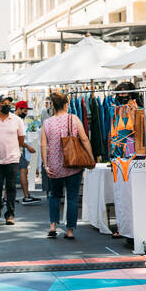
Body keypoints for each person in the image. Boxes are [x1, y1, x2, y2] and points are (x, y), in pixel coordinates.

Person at [41, 92, 94, 240]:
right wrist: (90, 157)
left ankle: (53, 226)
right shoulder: (74, 119)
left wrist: (45, 165)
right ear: (66, 105)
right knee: (71, 197)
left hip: (54, 165)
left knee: (54, 195)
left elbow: (43, 145)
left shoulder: (47, 122)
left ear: (53, 106)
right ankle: (70, 230)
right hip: (73, 164)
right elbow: (84, 138)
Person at [0, 95, 27, 225]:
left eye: (9, 103)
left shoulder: (17, 120)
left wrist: (13, 149)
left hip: (12, 159)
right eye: (4, 103)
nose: (7, 105)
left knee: (11, 187)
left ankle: (10, 214)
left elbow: (21, 138)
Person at [14, 101, 40, 205]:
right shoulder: (16, 120)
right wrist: (28, 146)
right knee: (23, 171)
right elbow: (17, 138)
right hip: (17, 150)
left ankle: (7, 197)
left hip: (17, 149)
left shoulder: (15, 119)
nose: (26, 113)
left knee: (12, 173)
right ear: (19, 109)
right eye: (24, 110)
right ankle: (26, 196)